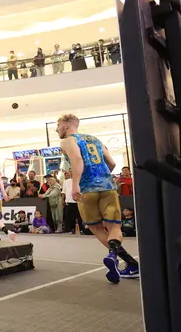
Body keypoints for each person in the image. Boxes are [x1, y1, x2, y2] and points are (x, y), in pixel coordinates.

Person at [57, 113, 139, 283]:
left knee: (97, 229)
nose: (57, 129)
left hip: (87, 190)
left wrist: (75, 185)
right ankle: (121, 259)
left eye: (58, 126)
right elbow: (112, 163)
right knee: (114, 226)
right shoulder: (94, 139)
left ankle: (124, 260)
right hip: (108, 187)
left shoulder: (67, 141)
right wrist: (102, 177)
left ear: (66, 125)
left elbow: (77, 159)